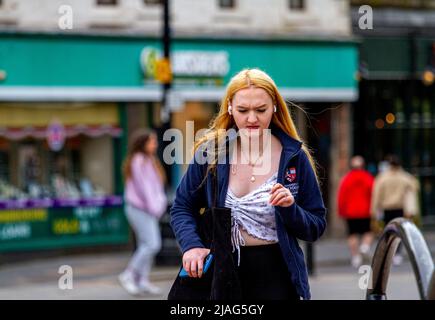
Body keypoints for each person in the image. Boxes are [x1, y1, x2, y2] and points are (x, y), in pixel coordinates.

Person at [169, 68, 327, 300]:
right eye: (243, 110)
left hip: (278, 278)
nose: (252, 119)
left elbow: (315, 226)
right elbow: (182, 207)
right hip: (222, 275)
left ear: (274, 107)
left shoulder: (294, 156)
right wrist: (191, 246)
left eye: (261, 110)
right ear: (230, 108)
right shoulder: (212, 153)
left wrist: (290, 208)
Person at [118, 129, 168, 296]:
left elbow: (156, 187)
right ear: (143, 143)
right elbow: (145, 188)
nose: (155, 144)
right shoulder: (138, 161)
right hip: (140, 208)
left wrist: (157, 205)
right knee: (153, 244)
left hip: (147, 209)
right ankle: (128, 275)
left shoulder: (149, 160)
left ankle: (142, 281)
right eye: (152, 141)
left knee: (145, 244)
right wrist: (156, 207)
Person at [371, 155, 418, 265]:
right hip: (400, 207)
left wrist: (373, 210)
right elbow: (415, 186)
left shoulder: (382, 178)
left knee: (387, 231)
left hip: (387, 208)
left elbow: (376, 195)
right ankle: (397, 254)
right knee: (399, 231)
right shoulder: (405, 177)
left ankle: (388, 252)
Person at [337, 155, 375, 268]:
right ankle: (365, 246)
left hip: (350, 212)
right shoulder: (368, 177)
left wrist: (341, 211)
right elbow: (374, 194)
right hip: (366, 211)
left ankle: (355, 257)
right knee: (368, 231)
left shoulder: (346, 179)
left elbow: (341, 196)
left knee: (352, 234)